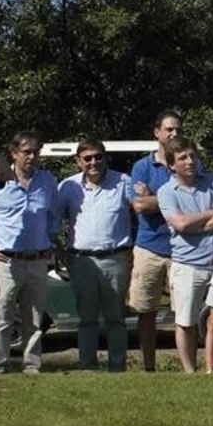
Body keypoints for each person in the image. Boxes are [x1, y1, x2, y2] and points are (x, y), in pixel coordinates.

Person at [0, 130, 63, 373]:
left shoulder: (47, 181)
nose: (32, 157)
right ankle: (0, 365)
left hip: (38, 260)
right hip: (6, 261)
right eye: (26, 152)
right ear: (14, 153)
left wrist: (51, 241)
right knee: (3, 318)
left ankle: (32, 365)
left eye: (35, 152)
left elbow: (53, 215)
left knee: (34, 318)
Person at [58, 139, 135, 372]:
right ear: (78, 161)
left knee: (116, 319)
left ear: (105, 157)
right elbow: (52, 222)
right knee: (86, 320)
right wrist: (59, 251)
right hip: (81, 261)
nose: (94, 162)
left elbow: (142, 209)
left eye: (98, 157)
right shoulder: (67, 187)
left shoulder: (124, 182)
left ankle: (117, 367)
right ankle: (88, 367)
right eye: (87, 158)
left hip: (116, 258)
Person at [156, 137, 213, 373]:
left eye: (192, 156)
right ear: (171, 164)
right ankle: (190, 372)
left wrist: (195, 224)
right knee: (186, 322)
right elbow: (180, 224)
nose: (190, 161)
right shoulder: (166, 192)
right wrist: (210, 215)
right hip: (187, 265)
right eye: (182, 158)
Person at [129, 110, 183, 371]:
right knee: (146, 311)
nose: (174, 134)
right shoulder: (142, 166)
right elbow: (139, 205)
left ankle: (187, 367)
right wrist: (175, 200)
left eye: (178, 130)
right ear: (157, 132)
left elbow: (195, 201)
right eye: (169, 129)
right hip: (148, 247)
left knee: (183, 312)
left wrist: (155, 198)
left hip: (182, 249)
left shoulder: (188, 162)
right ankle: (148, 368)